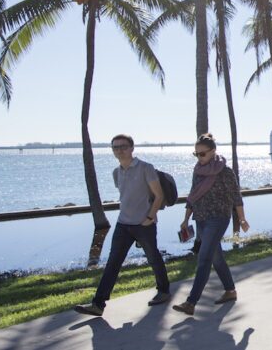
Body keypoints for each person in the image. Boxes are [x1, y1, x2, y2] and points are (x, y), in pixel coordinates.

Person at [74, 134, 170, 316]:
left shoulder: (145, 168)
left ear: (132, 148)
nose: (119, 150)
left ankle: (164, 291)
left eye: (123, 146)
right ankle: (98, 304)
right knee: (113, 263)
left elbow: (159, 196)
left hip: (144, 224)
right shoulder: (116, 172)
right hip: (123, 224)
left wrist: (149, 217)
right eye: (115, 147)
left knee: (154, 258)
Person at [172, 133, 249, 316]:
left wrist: (242, 218)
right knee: (216, 257)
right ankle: (230, 291)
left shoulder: (225, 171)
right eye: (196, 154)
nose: (199, 157)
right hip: (200, 218)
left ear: (213, 151)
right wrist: (185, 218)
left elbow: (236, 197)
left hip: (219, 218)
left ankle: (191, 303)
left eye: (202, 154)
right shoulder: (197, 170)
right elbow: (193, 194)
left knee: (204, 258)